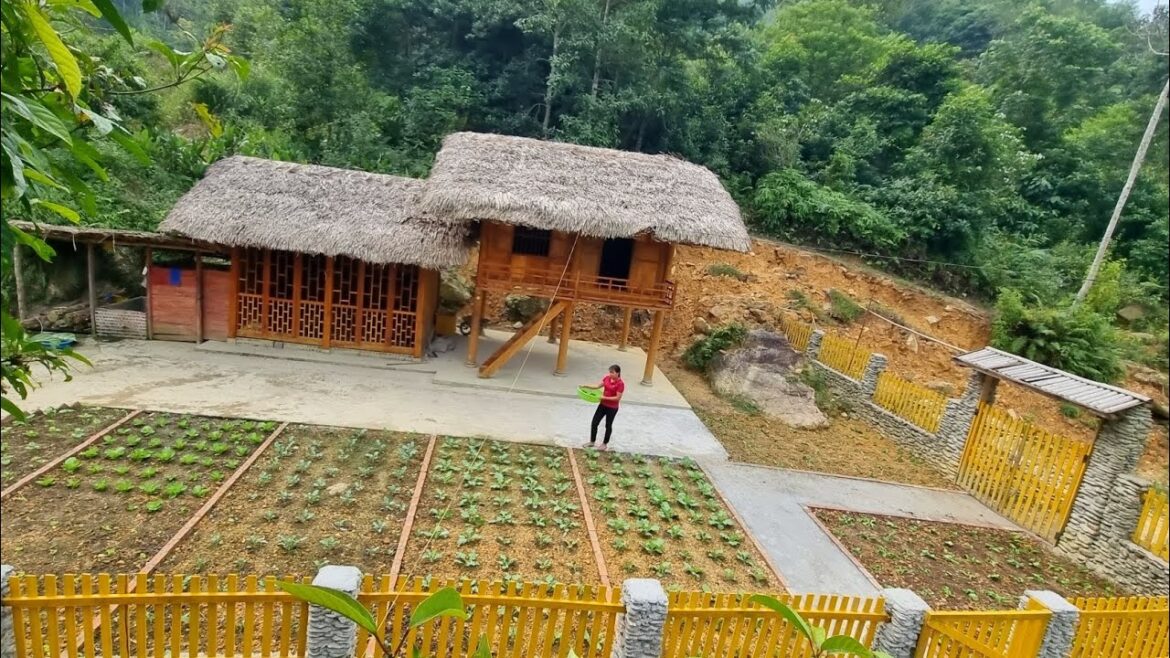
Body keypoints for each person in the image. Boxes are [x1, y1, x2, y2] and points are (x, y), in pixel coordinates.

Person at [583, 364, 624, 451]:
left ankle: (604, 444)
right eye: (610, 372)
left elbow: (617, 398)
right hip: (602, 405)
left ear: (618, 373)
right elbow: (597, 386)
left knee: (608, 425)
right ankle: (592, 441)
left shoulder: (620, 384)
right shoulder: (607, 378)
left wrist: (604, 397)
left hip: (612, 408)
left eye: (612, 372)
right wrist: (586, 386)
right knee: (594, 422)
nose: (610, 374)